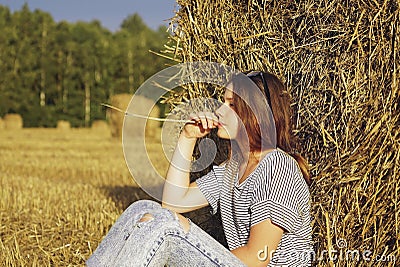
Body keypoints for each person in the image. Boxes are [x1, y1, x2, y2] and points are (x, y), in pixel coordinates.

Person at [87, 71, 313, 267]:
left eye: (232, 105)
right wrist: (187, 137)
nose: (220, 111)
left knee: (167, 226)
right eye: (223, 102)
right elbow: (174, 203)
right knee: (143, 208)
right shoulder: (232, 170)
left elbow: (257, 257)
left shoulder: (277, 166)